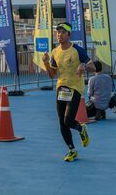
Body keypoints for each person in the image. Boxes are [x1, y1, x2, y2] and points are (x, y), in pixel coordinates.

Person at [42, 22, 96, 162]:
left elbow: (93, 66)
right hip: (61, 87)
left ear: (69, 35)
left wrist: (83, 65)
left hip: (75, 87)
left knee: (68, 120)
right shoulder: (55, 52)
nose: (59, 34)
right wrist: (46, 63)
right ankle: (72, 150)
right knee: (62, 123)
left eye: (63, 32)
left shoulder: (77, 50)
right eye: (58, 32)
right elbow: (52, 75)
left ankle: (81, 128)